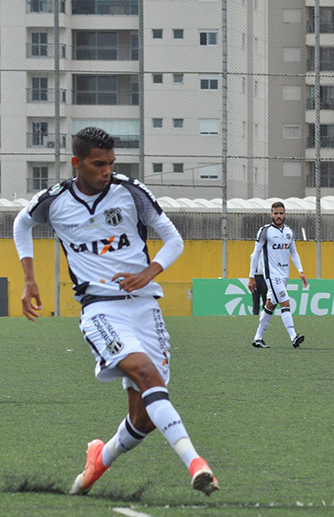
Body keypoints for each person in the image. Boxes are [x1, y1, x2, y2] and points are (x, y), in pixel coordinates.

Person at [12, 127, 219, 496]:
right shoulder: (55, 200)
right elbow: (21, 223)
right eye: (98, 164)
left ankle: (99, 460)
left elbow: (173, 239)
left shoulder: (131, 192)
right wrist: (29, 279)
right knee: (146, 374)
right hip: (100, 310)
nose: (106, 170)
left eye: (110, 163)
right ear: (77, 162)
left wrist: (148, 272)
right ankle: (196, 463)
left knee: (145, 418)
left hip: (146, 307)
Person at [249, 201, 309, 349]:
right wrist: (251, 276)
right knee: (285, 302)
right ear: (271, 214)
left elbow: (294, 253)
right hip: (272, 275)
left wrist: (300, 271)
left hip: (284, 275)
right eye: (275, 213)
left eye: (281, 213)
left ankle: (258, 338)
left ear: (285, 214)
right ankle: (293, 337)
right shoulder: (265, 231)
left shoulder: (289, 231)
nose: (278, 216)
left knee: (270, 305)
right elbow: (256, 254)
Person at [250, 245, 268, 316]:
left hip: (264, 276)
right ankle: (255, 312)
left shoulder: (266, 254)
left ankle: (265, 312)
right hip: (256, 276)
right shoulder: (253, 255)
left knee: (265, 295)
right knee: (255, 296)